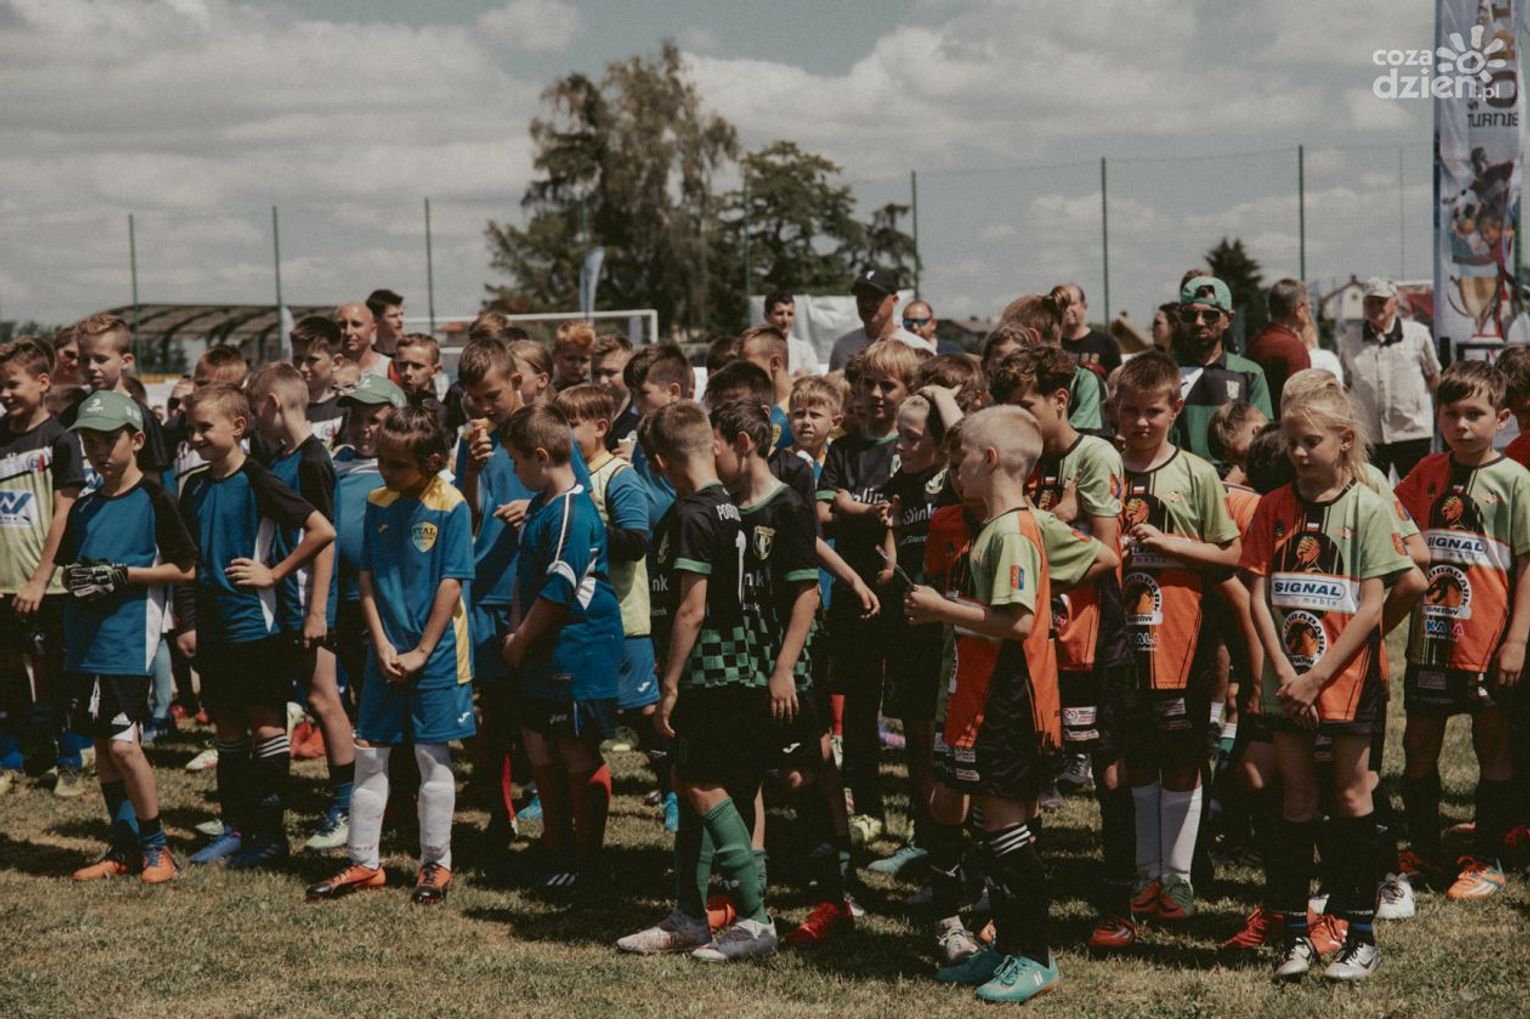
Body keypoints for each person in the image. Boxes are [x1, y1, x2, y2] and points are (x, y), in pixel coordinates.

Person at [1242, 386, 1411, 982]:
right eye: (1291, 441)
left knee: (1351, 797)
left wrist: (1317, 677)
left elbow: (1371, 607)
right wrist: (1286, 673)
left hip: (1344, 680)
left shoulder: (1369, 507)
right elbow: (1258, 595)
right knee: (1296, 799)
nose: (1297, 452)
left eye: (1310, 441)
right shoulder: (1271, 507)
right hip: (1287, 684)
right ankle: (1295, 935)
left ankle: (1360, 936)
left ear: (1344, 441)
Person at [903, 405, 1063, 1004]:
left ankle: (1034, 956)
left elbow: (1016, 622)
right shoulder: (995, 528)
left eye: (960, 458)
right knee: (995, 829)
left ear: (989, 459)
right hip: (986, 697)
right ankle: (1008, 947)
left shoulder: (1012, 532)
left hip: (1011, 700)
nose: (953, 470)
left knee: (1005, 827)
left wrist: (940, 608)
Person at [616, 400, 776, 961]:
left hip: (709, 670)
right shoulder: (729, 507)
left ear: (658, 461)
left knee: (705, 786)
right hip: (738, 665)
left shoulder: (691, 514)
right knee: (691, 784)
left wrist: (670, 682)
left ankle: (755, 919)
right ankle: (689, 914)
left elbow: (692, 608)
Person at [993, 346, 1137, 948]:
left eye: (1025, 405)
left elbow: (1105, 555)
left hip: (1090, 634)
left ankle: (1118, 900)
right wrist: (1055, 520)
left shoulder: (1094, 455)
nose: (1015, 417)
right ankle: (1023, 902)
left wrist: (1038, 526)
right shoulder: (1013, 454)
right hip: (1031, 636)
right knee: (1025, 770)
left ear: (1060, 399)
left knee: (1107, 767)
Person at [307, 407, 474, 905]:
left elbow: (451, 581)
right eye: (381, 460)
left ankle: (436, 862)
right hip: (384, 650)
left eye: (397, 464)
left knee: (430, 754)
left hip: (436, 654)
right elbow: (367, 577)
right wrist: (380, 642)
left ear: (433, 462)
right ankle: (364, 861)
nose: (385, 471)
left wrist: (421, 650)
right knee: (370, 751)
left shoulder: (452, 505)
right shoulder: (377, 502)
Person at [711, 398, 857, 944]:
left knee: (803, 775)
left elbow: (805, 596)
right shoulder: (726, 507)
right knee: (745, 773)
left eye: (715, 447)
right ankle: (750, 895)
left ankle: (835, 898)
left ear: (743, 444)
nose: (709, 458)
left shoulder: (789, 507)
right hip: (744, 665)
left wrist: (785, 668)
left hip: (788, 666)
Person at [178, 383, 334, 869]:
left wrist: (275, 573)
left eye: (205, 427)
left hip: (257, 627)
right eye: (191, 429)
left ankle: (270, 835)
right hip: (214, 628)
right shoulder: (194, 486)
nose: (196, 437)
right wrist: (187, 621)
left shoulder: (259, 480)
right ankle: (235, 828)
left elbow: (322, 530)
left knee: (266, 725)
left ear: (239, 427)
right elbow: (187, 560)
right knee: (227, 727)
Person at [1113, 350, 1241, 925]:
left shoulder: (1196, 474)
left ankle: (1179, 876)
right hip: (1120, 640)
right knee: (1136, 755)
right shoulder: (1105, 468)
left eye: (1153, 411)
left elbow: (1230, 553)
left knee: (1182, 754)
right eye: (1130, 410)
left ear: (1175, 409)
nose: (1141, 422)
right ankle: (1146, 872)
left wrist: (1172, 544)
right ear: (1115, 409)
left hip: (1182, 641)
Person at [1395, 359, 1530, 901]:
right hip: (1431, 641)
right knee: (1418, 743)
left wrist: (1517, 639)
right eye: (1451, 414)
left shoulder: (1516, 480)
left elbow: (1528, 564)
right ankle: (1424, 849)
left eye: (1475, 414)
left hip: (1489, 643)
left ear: (1502, 418)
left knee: (1491, 744)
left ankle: (1486, 858)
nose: (1462, 425)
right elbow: (1392, 520)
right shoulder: (1426, 472)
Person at [59, 391, 197, 883]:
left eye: (108, 439)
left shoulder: (156, 498)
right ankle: (123, 846)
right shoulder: (86, 505)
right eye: (88, 441)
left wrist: (124, 575)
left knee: (123, 745)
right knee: (102, 745)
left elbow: (186, 568)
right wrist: (76, 579)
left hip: (129, 637)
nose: (97, 450)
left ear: (137, 440)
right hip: (87, 638)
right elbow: (72, 568)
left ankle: (158, 847)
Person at [501, 403, 624, 889]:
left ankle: (587, 858)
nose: (514, 471)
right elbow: (525, 577)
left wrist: (521, 639)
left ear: (539, 455)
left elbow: (559, 588)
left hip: (577, 649)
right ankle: (556, 845)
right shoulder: (540, 506)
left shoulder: (574, 511)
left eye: (516, 461)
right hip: (539, 648)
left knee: (574, 747)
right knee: (538, 741)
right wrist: (517, 632)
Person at [819, 340, 925, 845]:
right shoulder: (843, 450)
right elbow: (821, 513)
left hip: (905, 597)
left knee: (915, 715)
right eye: (869, 384)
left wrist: (850, 508)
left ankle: (925, 816)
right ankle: (868, 809)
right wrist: (863, 512)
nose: (877, 394)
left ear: (909, 390)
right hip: (853, 592)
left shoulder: (916, 449)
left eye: (889, 385)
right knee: (859, 709)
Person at [554, 384, 672, 828]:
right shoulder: (565, 477)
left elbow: (637, 541)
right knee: (577, 716)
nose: (563, 435)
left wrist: (586, 529)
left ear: (601, 427)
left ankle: (674, 789)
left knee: (643, 713)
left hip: (625, 619)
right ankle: (563, 796)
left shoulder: (619, 477)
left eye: (571, 425)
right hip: (582, 622)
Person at [245, 363, 352, 853]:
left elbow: (325, 538)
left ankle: (346, 804)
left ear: (272, 403)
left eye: (255, 410)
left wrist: (317, 612)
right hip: (287, 599)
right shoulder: (282, 457)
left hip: (309, 599)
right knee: (311, 697)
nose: (253, 421)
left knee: (324, 699)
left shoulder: (312, 459)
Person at [869, 393, 954, 877]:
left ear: (941, 444)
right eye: (899, 435)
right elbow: (889, 569)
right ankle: (925, 839)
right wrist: (891, 529)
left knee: (947, 744)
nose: (899, 446)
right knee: (918, 739)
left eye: (911, 437)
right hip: (907, 628)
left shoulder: (956, 485)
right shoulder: (899, 484)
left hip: (945, 629)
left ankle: (953, 845)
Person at [0, 339, 86, 796]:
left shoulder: (61, 439)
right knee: (7, 670)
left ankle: (70, 759)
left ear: (43, 382)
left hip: (44, 585)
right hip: (3, 581)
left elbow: (63, 515)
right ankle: (11, 760)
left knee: (54, 673)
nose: (5, 393)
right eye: (0, 385)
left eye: (13, 384)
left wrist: (40, 577)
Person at [329, 376, 406, 717]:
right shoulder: (338, 461)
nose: (362, 428)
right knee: (359, 681)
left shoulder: (407, 468)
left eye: (374, 420)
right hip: (343, 596)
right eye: (356, 419)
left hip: (385, 598)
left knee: (387, 683)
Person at [1338, 277, 1440, 480]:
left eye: (1381, 301)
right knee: (1370, 490)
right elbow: (1345, 385)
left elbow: (1434, 377)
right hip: (1370, 435)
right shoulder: (1349, 342)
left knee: (1417, 489)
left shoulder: (1418, 335)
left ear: (1394, 302)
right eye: (1370, 302)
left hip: (1412, 432)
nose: (1376, 307)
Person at [1169, 276, 1274, 472]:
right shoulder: (1166, 373)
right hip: (1182, 478)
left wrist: (1230, 483)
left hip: (1236, 481)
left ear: (1229, 319)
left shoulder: (1250, 373)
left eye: (1210, 315)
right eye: (1190, 315)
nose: (1199, 322)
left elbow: (1261, 440)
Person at [72, 314, 171, 479]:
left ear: (125, 361)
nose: (91, 367)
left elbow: (153, 480)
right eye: (84, 359)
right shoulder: (74, 413)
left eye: (101, 359)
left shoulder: (141, 416)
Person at [829, 269, 935, 370]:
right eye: (862, 297)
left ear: (894, 300)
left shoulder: (918, 348)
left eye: (875, 297)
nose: (867, 304)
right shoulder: (843, 346)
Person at [1245, 279, 1313, 411]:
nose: (1310, 312)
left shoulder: (1254, 344)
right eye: (1309, 306)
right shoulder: (1294, 349)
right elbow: (1299, 404)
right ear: (1299, 308)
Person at [737, 324, 796, 451]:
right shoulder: (756, 412)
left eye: (747, 365)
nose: (741, 372)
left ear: (775, 363)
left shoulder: (806, 410)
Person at [290, 316, 346, 447]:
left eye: (312, 360)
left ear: (336, 362)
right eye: (297, 358)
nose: (303, 368)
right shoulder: (284, 409)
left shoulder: (345, 410)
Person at [1060, 283, 1121, 380]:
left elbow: (1116, 381)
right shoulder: (1053, 345)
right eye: (1063, 305)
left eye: (1072, 304)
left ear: (1084, 306)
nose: (1067, 309)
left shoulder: (1106, 343)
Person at [590, 334, 639, 453]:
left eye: (610, 373)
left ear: (630, 373)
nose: (602, 381)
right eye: (596, 373)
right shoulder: (584, 413)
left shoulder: (642, 416)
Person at [763, 290, 822, 375]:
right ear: (766, 316)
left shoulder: (805, 350)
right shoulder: (756, 349)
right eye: (780, 313)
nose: (785, 319)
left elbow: (817, 379)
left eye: (790, 314)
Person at [334, 301, 392, 380]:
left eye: (356, 324)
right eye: (342, 325)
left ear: (373, 330)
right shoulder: (327, 369)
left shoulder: (390, 369)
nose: (348, 332)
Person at [552, 320, 595, 391]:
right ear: (555, 356)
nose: (577, 366)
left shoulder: (594, 394)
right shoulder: (547, 394)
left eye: (584, 360)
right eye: (570, 359)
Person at [365, 289, 405, 358]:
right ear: (375, 320)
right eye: (393, 316)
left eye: (401, 314)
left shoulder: (411, 351)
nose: (400, 320)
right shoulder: (367, 356)